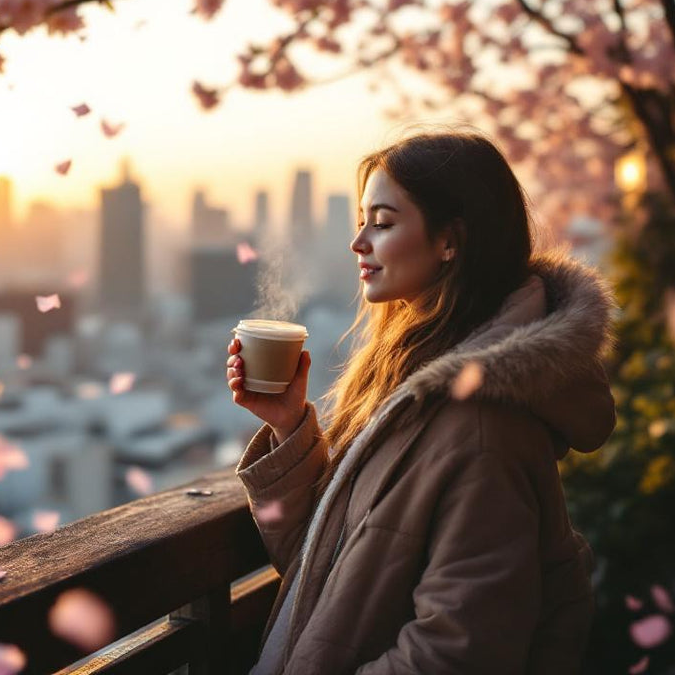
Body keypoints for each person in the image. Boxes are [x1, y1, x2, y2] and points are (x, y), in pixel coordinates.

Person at [226, 130, 617, 674]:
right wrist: (290, 424)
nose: (359, 242)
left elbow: (460, 652)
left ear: (449, 241)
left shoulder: (481, 428)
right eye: (361, 221)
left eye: (383, 223)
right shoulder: (414, 386)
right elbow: (331, 578)